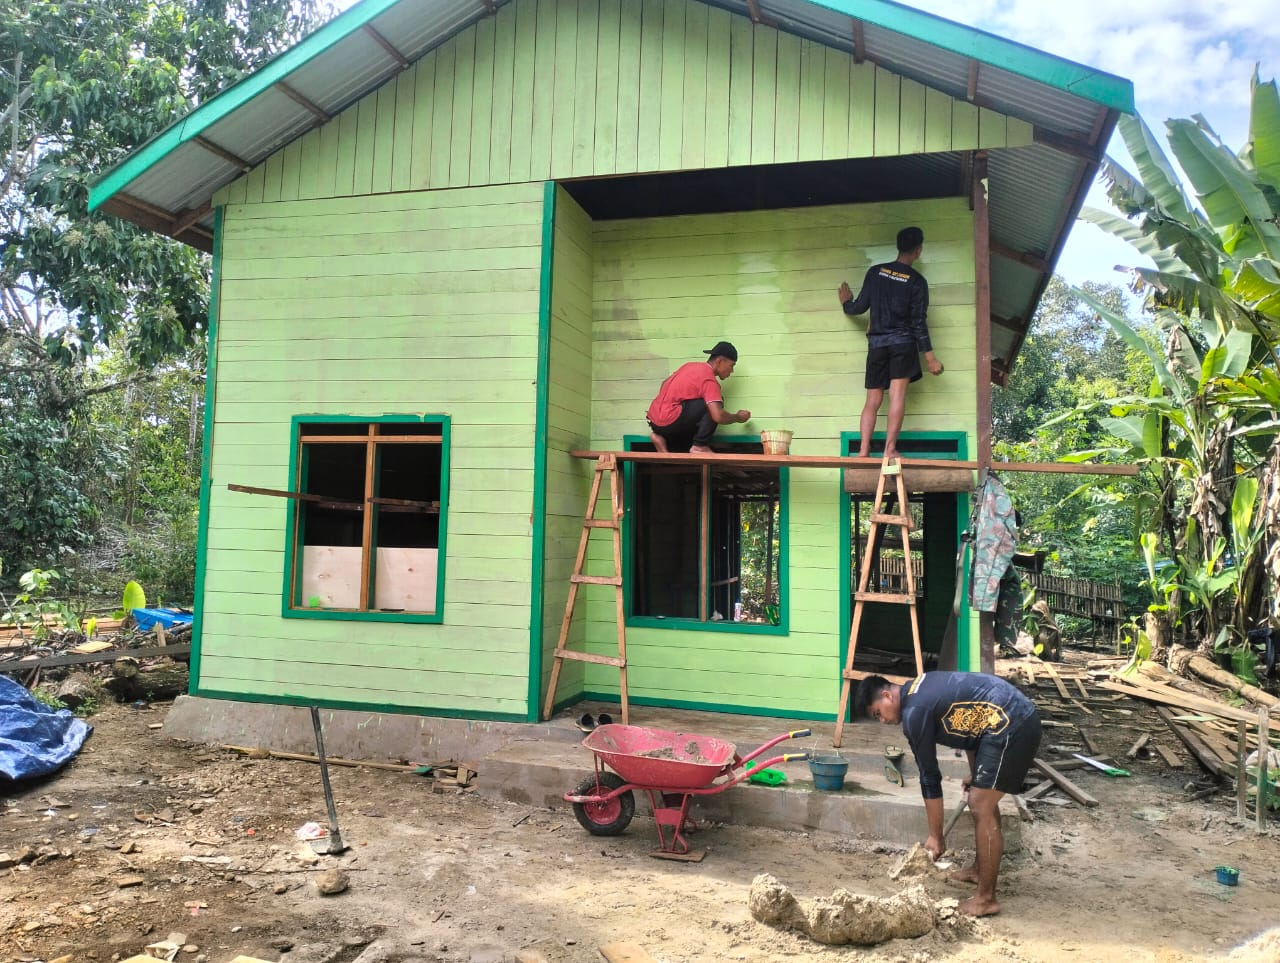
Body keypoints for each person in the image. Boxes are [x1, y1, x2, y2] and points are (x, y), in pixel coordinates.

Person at [853, 671, 1042, 917]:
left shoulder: (914, 713)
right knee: (981, 796)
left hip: (1013, 721)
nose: (881, 721)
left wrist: (935, 836)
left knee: (979, 803)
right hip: (1004, 718)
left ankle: (986, 900)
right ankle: (978, 870)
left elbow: (929, 776)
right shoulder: (917, 690)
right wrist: (978, 774)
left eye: (878, 713)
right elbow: (972, 732)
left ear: (887, 695)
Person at [838, 226, 944, 460]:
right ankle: (889, 450)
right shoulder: (917, 282)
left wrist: (846, 303)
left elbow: (859, 307)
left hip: (876, 345)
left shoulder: (875, 272)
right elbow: (918, 322)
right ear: (918, 250)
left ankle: (864, 451)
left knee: (872, 400)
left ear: (899, 246)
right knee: (897, 396)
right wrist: (930, 358)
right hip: (903, 344)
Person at [646, 341, 750, 453]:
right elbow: (718, 416)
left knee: (692, 430)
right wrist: (737, 417)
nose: (732, 370)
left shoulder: (688, 366)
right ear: (720, 361)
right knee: (713, 405)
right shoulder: (709, 379)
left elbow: (664, 383)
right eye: (731, 365)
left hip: (655, 421)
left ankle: (661, 438)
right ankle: (700, 446)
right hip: (670, 420)